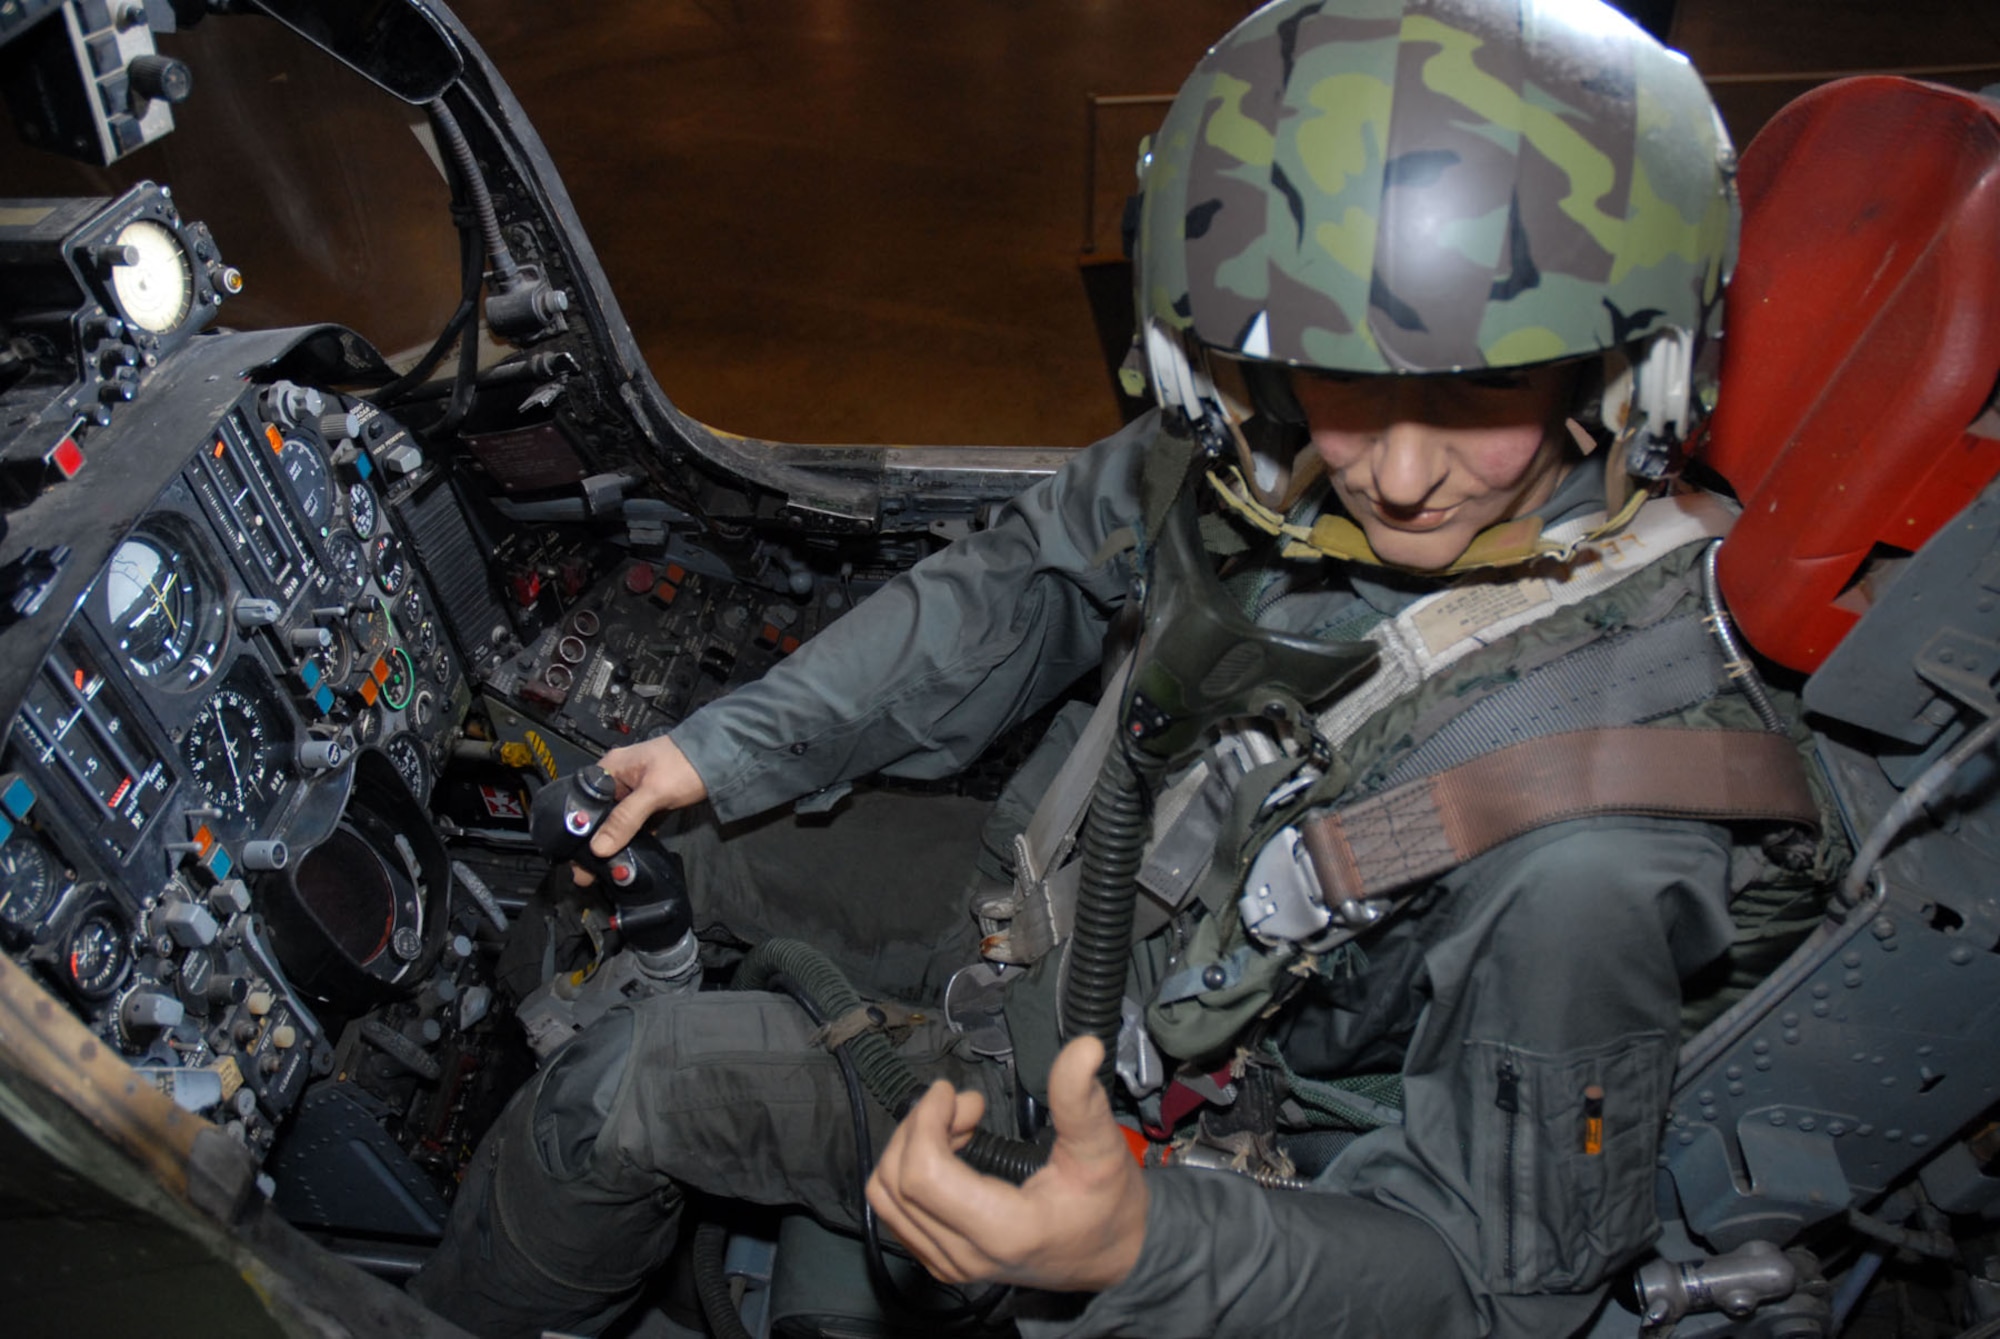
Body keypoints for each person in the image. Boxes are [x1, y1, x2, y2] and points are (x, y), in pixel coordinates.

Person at [411, 1, 1841, 1335]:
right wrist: (732, 748)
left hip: (1169, 1125)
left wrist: (1131, 1246)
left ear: (1620, 372)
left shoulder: (1588, 853)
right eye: (1345, 378)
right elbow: (1023, 575)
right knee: (671, 843)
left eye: (1479, 394)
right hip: (1058, 911)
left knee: (625, 1093)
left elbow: (1496, 1283)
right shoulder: (1253, 455)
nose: (1400, 478)